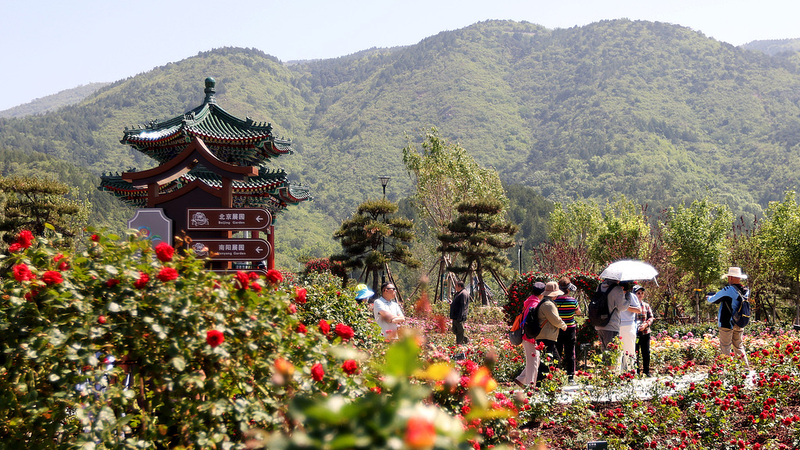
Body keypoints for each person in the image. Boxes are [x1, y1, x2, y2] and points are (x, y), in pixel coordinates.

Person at [706, 267, 750, 366]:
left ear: (730, 277)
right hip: (739, 322)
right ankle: (745, 369)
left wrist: (708, 297)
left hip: (726, 323)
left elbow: (713, 299)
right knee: (739, 346)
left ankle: (725, 369)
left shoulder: (728, 289)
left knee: (725, 347)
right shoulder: (746, 290)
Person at [514, 282, 546, 388]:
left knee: (534, 360)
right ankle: (530, 387)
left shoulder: (529, 302)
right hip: (530, 336)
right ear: (542, 293)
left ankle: (521, 379)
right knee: (534, 362)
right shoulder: (535, 304)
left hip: (526, 336)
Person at [535, 281, 569, 375]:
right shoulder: (548, 305)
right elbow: (555, 320)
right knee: (550, 361)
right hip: (546, 336)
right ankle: (542, 382)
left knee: (550, 360)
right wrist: (564, 326)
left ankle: (544, 382)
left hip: (544, 335)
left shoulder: (544, 302)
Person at [554, 277, 581, 382]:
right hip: (570, 329)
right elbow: (578, 312)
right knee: (570, 353)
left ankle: (556, 373)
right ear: (568, 289)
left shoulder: (555, 300)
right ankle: (570, 376)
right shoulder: (573, 301)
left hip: (558, 328)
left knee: (557, 351)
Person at [618, 281, 642, 373]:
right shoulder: (615, 297)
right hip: (617, 325)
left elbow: (638, 310)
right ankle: (618, 374)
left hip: (628, 326)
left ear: (623, 287)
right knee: (618, 351)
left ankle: (631, 372)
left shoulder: (631, 296)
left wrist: (625, 306)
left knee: (629, 350)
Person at [634, 285, 655, 376]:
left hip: (645, 332)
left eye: (642, 293)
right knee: (635, 352)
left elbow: (651, 317)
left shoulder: (646, 305)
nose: (640, 295)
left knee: (646, 352)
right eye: (638, 293)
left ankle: (646, 371)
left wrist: (646, 324)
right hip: (635, 333)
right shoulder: (631, 306)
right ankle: (636, 371)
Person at [449, 280, 471, 344]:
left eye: (456, 285)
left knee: (459, 331)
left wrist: (460, 316)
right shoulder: (459, 293)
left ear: (459, 286)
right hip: (456, 316)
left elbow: (462, 306)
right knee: (455, 330)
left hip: (459, 316)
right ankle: (465, 340)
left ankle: (459, 344)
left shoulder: (463, 294)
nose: (455, 287)